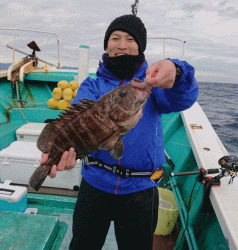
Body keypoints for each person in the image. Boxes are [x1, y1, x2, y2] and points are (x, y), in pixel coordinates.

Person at [41, 14, 198, 250]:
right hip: (95, 183)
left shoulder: (150, 86)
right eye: (115, 38)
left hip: (141, 190)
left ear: (140, 47)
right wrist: (64, 149)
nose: (122, 45)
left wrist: (177, 70)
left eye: (130, 39)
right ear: (106, 45)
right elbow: (77, 120)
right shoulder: (92, 85)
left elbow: (184, 96)